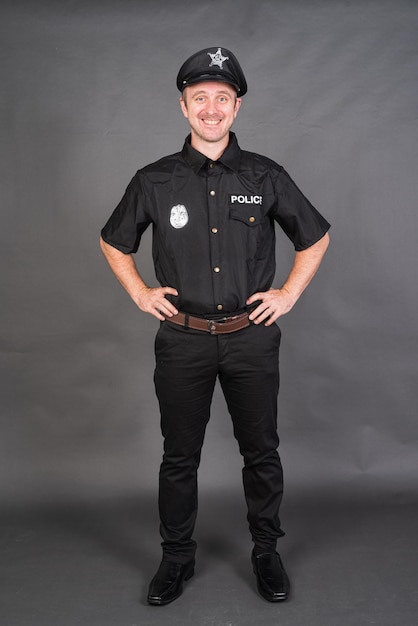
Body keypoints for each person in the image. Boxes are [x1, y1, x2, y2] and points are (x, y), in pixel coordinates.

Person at [100, 46, 330, 605]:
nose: (211, 108)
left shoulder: (265, 175)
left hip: (251, 337)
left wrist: (288, 293)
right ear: (183, 107)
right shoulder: (154, 180)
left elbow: (315, 236)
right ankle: (176, 559)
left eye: (221, 98)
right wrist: (139, 292)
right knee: (179, 456)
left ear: (237, 107)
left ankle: (266, 553)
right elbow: (113, 240)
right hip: (181, 339)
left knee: (262, 451)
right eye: (199, 97)